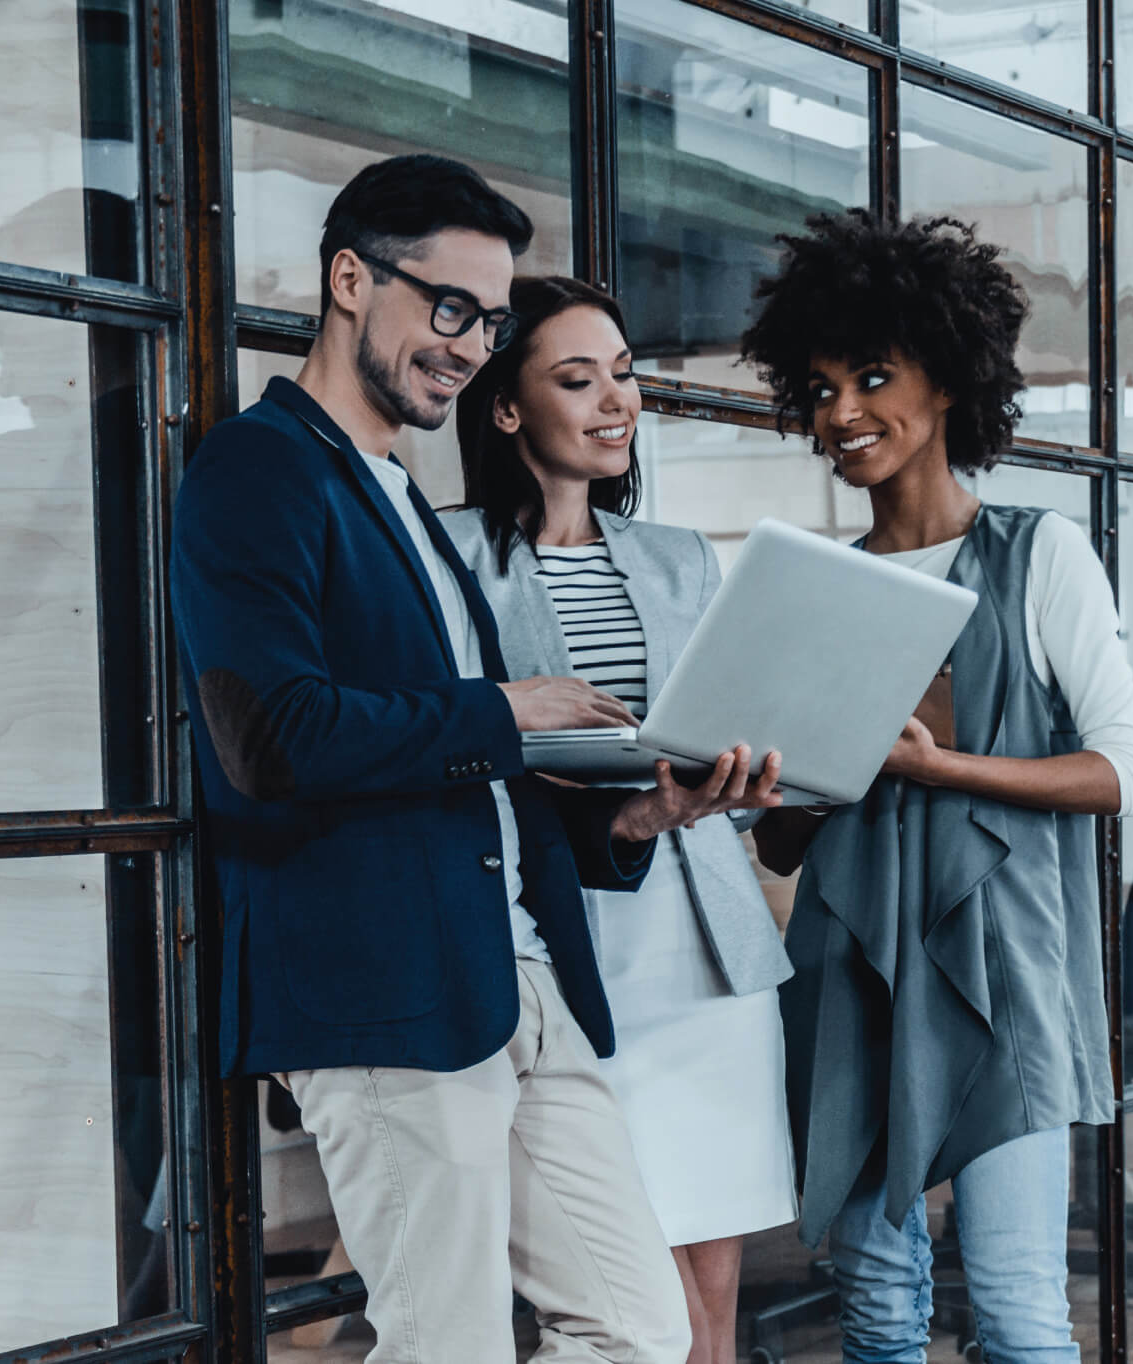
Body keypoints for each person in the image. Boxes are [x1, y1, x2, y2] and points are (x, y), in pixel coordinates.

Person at [170, 153, 786, 1364]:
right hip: (385, 987)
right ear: (350, 279)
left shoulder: (396, 493)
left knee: (633, 1324)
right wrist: (503, 710)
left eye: (490, 319)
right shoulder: (259, 469)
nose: (466, 342)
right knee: (443, 1340)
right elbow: (269, 738)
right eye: (447, 306)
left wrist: (636, 822)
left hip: (518, 974)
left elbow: (470, 781)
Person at [741, 210, 1133, 1363]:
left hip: (1007, 974)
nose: (842, 413)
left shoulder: (1040, 553)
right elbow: (785, 850)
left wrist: (936, 765)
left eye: (872, 377)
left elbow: (1120, 770)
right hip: (852, 970)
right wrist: (788, 786)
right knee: (876, 1312)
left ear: (950, 380)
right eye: (820, 388)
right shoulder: (818, 586)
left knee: (1021, 1316)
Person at [444, 276, 798, 1364]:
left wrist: (748, 767)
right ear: (507, 407)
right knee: (612, 1297)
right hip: (568, 946)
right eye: (577, 377)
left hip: (709, 958)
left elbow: (718, 711)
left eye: (626, 373)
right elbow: (462, 748)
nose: (617, 400)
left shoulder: (681, 555)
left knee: (710, 1307)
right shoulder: (451, 553)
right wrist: (635, 806)